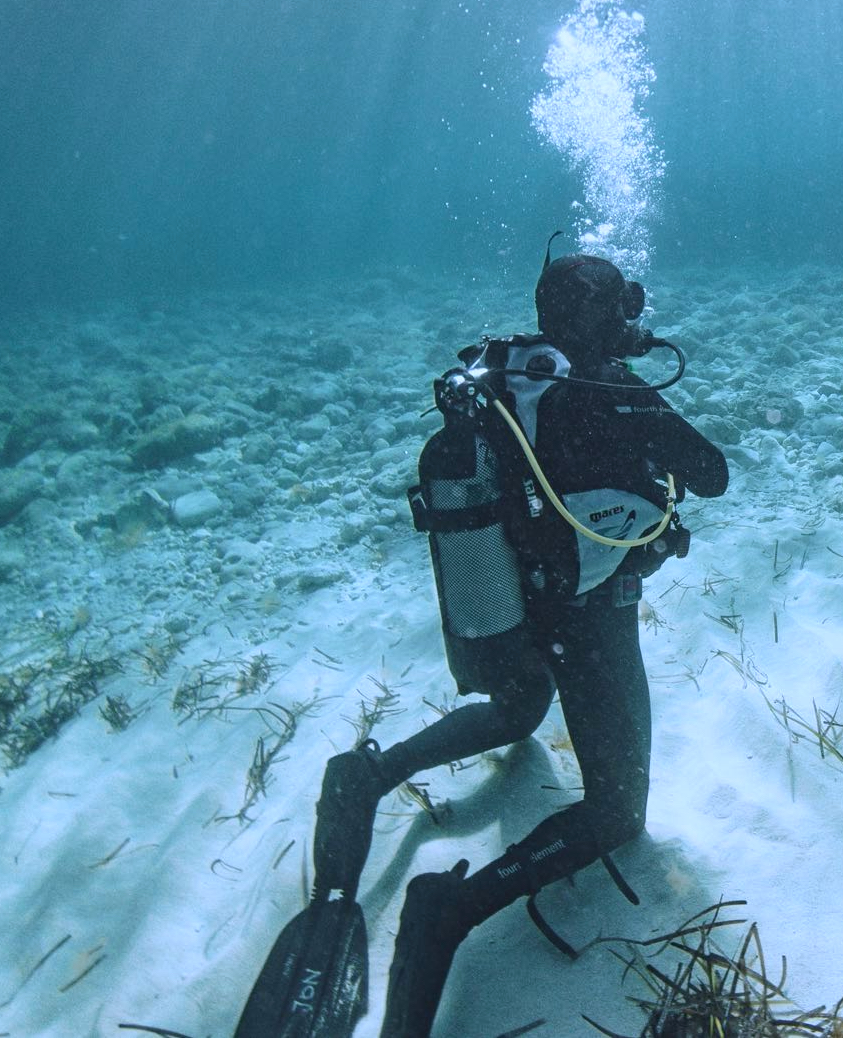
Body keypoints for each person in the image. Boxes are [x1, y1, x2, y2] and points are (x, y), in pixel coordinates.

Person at [284, 248, 728, 1037]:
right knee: (619, 811)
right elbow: (713, 471)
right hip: (588, 619)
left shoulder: (501, 378)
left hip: (511, 614)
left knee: (523, 707)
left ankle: (371, 770)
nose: (631, 324)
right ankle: (452, 907)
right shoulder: (611, 391)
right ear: (601, 318)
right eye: (619, 312)